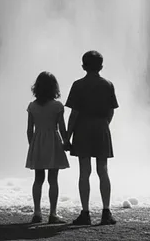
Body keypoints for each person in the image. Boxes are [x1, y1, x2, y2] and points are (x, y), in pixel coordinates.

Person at [65, 50, 118, 226]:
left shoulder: (78, 85)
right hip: (101, 128)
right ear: (101, 66)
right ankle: (106, 212)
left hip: (82, 130)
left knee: (84, 172)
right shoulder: (108, 84)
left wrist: (67, 136)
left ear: (83, 66)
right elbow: (111, 111)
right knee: (103, 170)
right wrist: (104, 125)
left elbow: (74, 114)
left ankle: (86, 213)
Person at [26, 71, 69, 224]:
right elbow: (62, 128)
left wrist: (33, 146)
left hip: (38, 142)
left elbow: (29, 130)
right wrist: (66, 142)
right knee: (53, 179)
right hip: (53, 142)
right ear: (53, 88)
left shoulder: (32, 106)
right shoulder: (57, 106)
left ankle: (37, 213)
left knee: (38, 179)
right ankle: (53, 213)